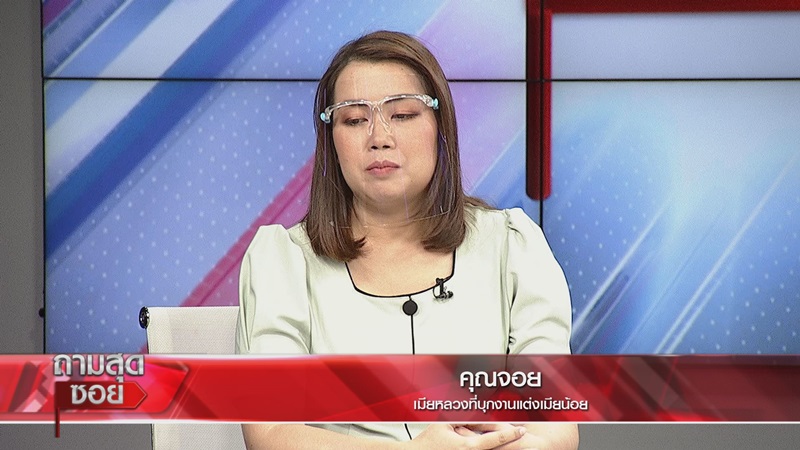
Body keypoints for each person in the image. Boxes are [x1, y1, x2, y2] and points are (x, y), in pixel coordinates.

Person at [235, 30, 578, 449]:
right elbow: (271, 432)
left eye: (401, 114)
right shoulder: (284, 261)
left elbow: (553, 423)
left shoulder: (512, 246)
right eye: (354, 120)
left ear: (439, 126)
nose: (379, 137)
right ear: (331, 140)